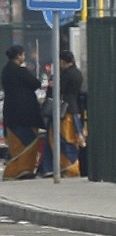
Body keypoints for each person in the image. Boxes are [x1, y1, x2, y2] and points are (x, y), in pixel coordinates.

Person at [38, 50, 86, 178]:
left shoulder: (64, 74)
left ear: (63, 61)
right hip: (74, 109)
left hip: (63, 111)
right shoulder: (78, 73)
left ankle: (66, 167)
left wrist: (52, 86)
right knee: (72, 138)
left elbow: (59, 90)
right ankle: (70, 166)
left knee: (61, 139)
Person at [1, 44, 44, 180]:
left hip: (10, 113)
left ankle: (14, 170)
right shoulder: (20, 71)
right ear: (19, 55)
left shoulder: (5, 70)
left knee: (15, 144)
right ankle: (24, 169)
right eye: (23, 55)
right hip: (26, 114)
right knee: (29, 141)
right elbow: (36, 83)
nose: (24, 57)